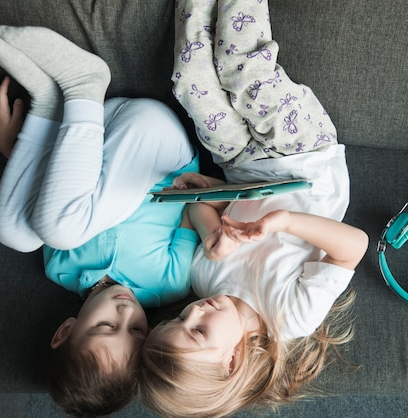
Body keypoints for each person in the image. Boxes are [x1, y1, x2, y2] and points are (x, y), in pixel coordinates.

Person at [139, 1, 369, 417]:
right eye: (198, 332)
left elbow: (202, 210)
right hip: (307, 158)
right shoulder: (291, 317)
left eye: (176, 321)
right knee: (243, 71)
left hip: (243, 165)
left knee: (189, 82)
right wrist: (284, 221)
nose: (192, 314)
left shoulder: (204, 279)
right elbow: (353, 246)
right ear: (232, 361)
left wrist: (211, 225)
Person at [0, 26, 200, 416]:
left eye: (105, 327)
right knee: (59, 230)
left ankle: (48, 104)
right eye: (137, 331)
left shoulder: (58, 269)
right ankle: (84, 82)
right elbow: (193, 205)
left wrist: (13, 150)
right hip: (152, 143)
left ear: (66, 331)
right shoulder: (169, 283)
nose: (126, 312)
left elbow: (59, 188)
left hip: (88, 127)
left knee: (14, 233)